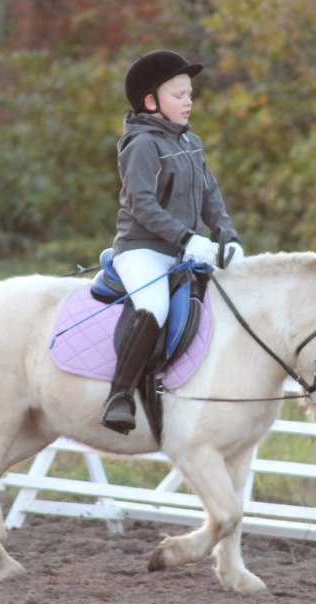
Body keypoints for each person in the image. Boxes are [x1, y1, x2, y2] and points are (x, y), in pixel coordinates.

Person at [100, 49, 244, 435]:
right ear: (151, 102)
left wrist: (227, 236)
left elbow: (211, 196)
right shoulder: (142, 144)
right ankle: (119, 396)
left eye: (190, 94)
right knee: (154, 305)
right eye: (178, 95)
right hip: (142, 250)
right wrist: (188, 239)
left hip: (185, 250)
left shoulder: (191, 142)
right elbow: (141, 203)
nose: (188, 101)